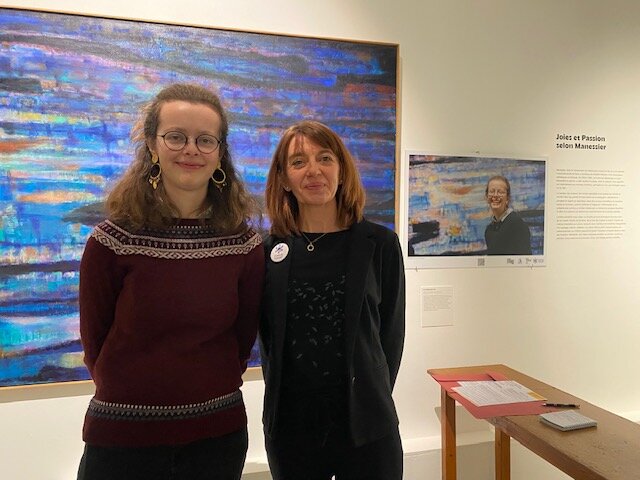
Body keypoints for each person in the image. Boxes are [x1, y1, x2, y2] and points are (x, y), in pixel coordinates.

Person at [77, 83, 264, 480]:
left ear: (220, 153)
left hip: (216, 438)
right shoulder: (112, 241)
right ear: (152, 145)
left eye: (205, 140)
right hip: (122, 439)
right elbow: (95, 345)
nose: (191, 150)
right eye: (176, 137)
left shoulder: (244, 244)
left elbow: (241, 340)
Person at [260, 120, 405, 480]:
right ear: (283, 179)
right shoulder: (268, 252)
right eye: (298, 162)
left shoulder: (380, 244)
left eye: (325, 158)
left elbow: (390, 337)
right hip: (292, 431)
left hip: (367, 426)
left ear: (341, 170)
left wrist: (370, 392)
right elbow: (269, 341)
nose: (314, 170)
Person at [484, 175, 532, 255]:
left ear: (507, 198)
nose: (495, 195)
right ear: (486, 197)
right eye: (492, 191)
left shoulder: (517, 225)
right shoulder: (489, 230)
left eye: (500, 192)